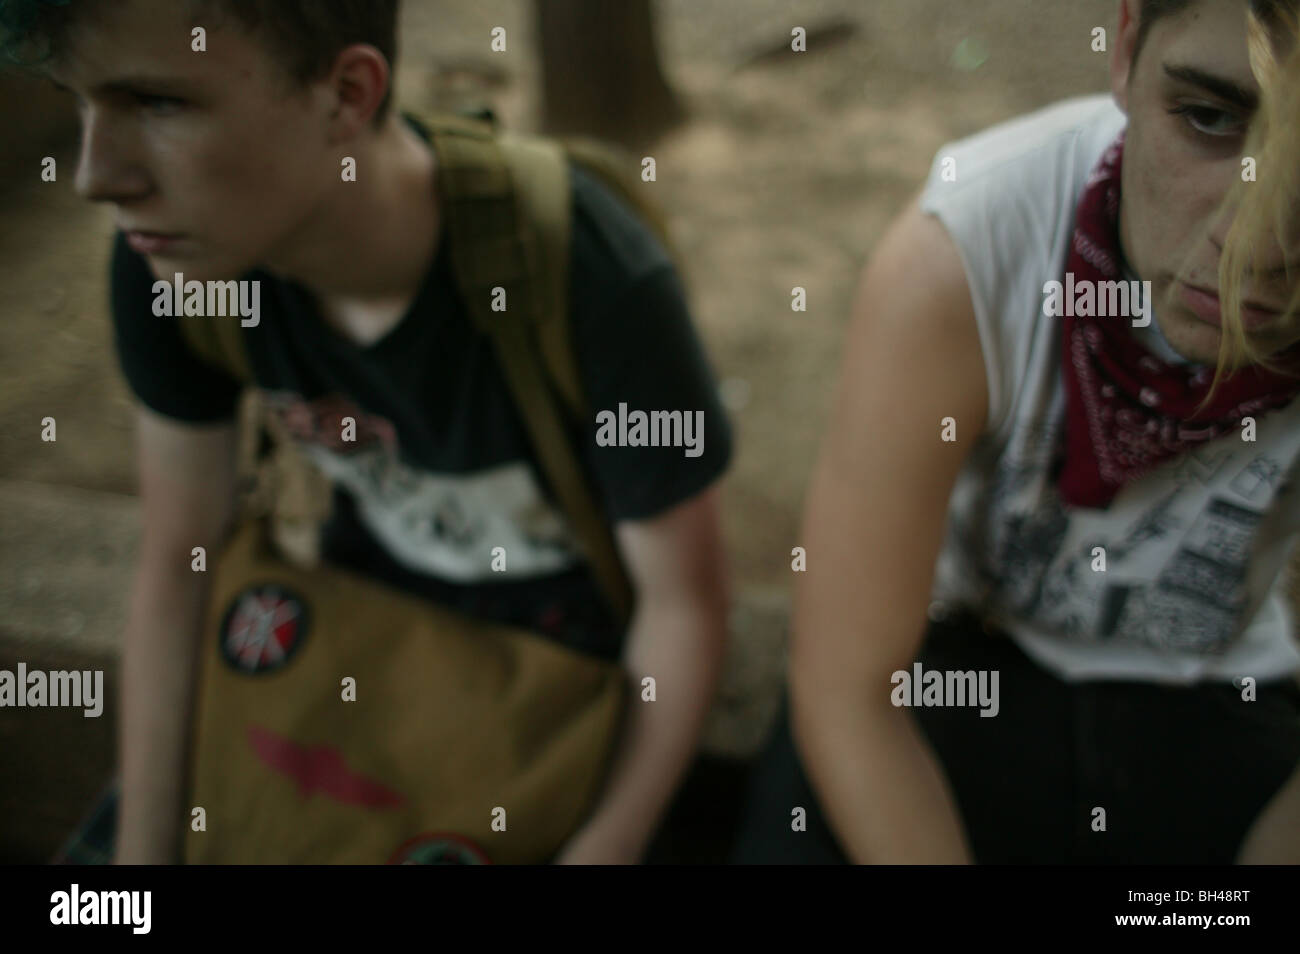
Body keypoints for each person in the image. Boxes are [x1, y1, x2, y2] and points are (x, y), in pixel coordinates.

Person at [7, 0, 733, 864]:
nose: (97, 174)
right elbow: (179, 558)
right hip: (356, 641)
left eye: (160, 105)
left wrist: (605, 845)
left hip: (546, 699)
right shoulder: (172, 265)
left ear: (347, 93)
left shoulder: (590, 272)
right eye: (81, 102)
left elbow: (683, 603)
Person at [734, 0, 1300, 864]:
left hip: (1213, 693)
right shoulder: (970, 247)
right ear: (1125, 48)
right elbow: (847, 687)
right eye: (1209, 118)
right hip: (956, 666)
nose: (1256, 250)